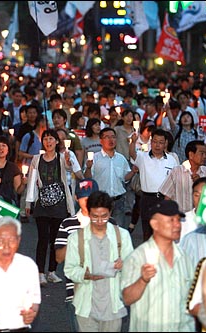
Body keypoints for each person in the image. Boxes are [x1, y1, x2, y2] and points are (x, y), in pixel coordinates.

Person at [64, 191, 134, 332]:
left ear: (110, 213)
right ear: (89, 213)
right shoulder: (76, 238)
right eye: (95, 216)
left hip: (113, 306)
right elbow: (69, 269)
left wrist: (123, 266)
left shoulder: (122, 236)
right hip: (86, 306)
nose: (100, 221)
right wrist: (85, 275)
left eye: (104, 216)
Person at [121, 200, 196, 332]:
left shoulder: (184, 257)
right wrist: (143, 280)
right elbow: (127, 298)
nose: (177, 225)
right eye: (171, 220)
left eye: (178, 220)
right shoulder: (137, 258)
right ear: (154, 224)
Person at [26, 129, 75, 286]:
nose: (48, 142)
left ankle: (52, 271)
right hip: (42, 203)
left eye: (51, 139)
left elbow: (68, 169)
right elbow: (32, 181)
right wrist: (28, 202)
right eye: (45, 139)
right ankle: (40, 272)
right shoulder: (36, 159)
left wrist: (68, 161)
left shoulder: (61, 158)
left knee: (55, 238)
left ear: (57, 142)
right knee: (42, 238)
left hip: (59, 203)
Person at [54, 178, 100, 332]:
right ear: (76, 198)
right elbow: (59, 258)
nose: (88, 202)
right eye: (84, 197)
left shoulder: (110, 223)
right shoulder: (67, 224)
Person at [129, 128, 178, 241]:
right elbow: (132, 154)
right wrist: (133, 141)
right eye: (155, 142)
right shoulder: (143, 157)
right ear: (151, 142)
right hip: (147, 198)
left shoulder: (171, 160)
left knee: (164, 232)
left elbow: (175, 179)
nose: (157, 145)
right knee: (147, 232)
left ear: (165, 143)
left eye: (161, 142)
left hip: (165, 199)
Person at [84, 127, 136, 229]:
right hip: (100, 201)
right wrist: (89, 168)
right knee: (100, 230)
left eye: (113, 137)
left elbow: (125, 178)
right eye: (107, 137)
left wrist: (133, 172)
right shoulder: (94, 158)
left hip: (118, 200)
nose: (111, 140)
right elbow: (88, 179)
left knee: (117, 231)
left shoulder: (121, 158)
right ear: (101, 141)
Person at [159, 140, 206, 213]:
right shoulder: (177, 171)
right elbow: (167, 196)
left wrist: (200, 182)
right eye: (202, 153)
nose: (205, 157)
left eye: (205, 154)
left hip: (201, 215)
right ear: (191, 155)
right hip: (181, 216)